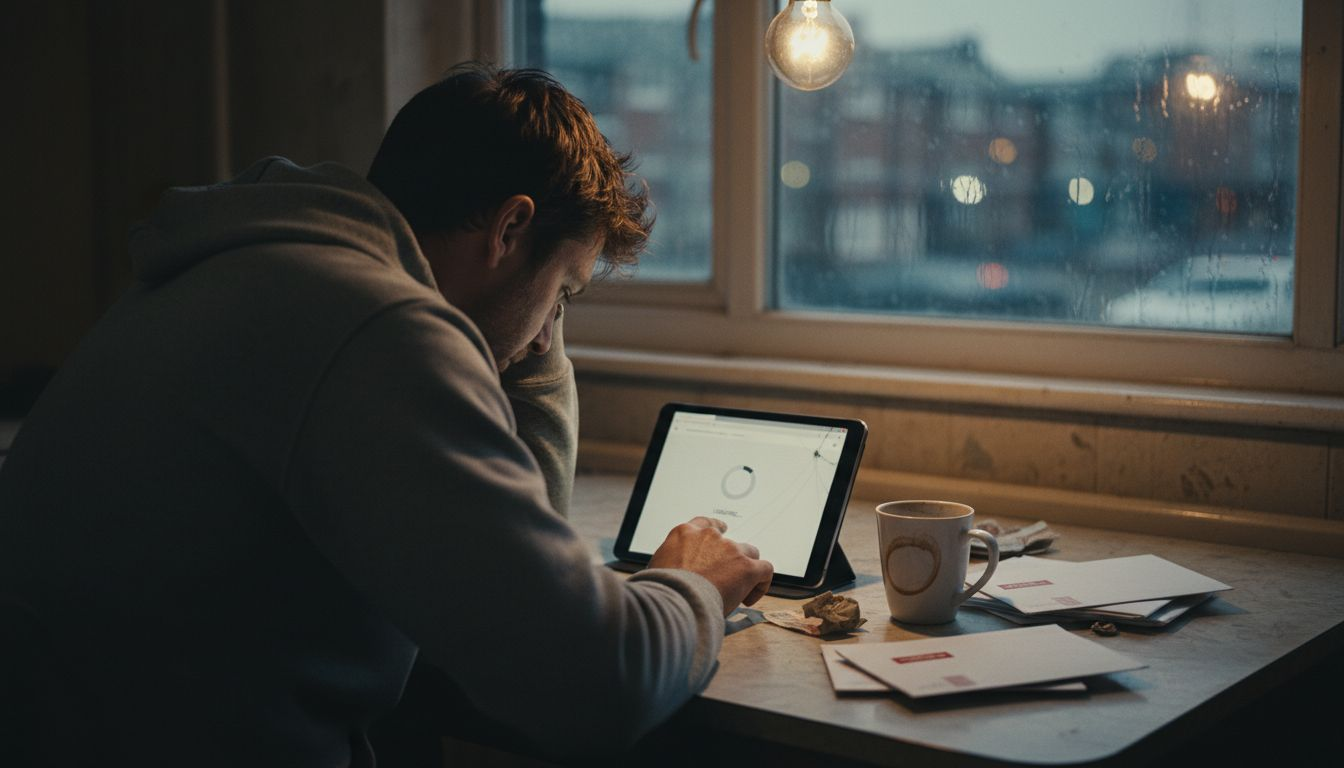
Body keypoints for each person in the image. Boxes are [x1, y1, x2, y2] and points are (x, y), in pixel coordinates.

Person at [0, 64, 773, 766]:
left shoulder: (242, 265)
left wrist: (531, 313)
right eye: (565, 293)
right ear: (508, 229)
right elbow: (594, 685)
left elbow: (508, 577)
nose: (547, 336)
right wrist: (692, 587)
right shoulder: (376, 329)